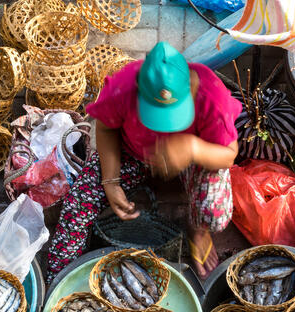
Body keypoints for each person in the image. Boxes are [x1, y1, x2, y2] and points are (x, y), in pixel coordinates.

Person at [46, 41, 242, 283]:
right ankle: (59, 281)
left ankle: (198, 232)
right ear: (138, 87)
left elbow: (228, 155)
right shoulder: (122, 86)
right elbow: (106, 130)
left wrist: (192, 149)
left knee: (215, 214)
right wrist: (111, 182)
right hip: (133, 155)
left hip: (191, 160)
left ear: (191, 88)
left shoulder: (211, 95)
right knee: (78, 204)